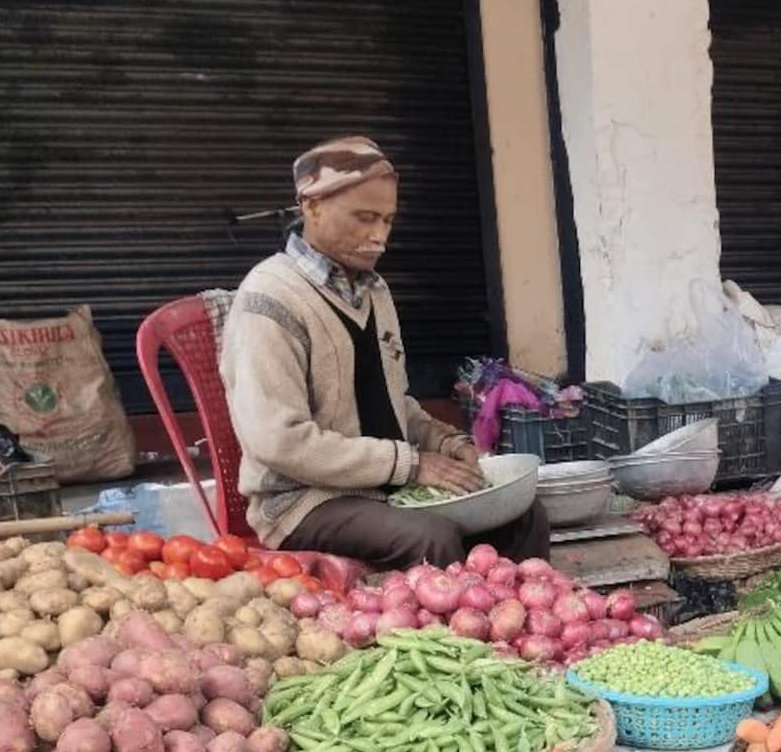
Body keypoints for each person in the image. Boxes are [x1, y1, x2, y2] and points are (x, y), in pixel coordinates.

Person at [219, 136, 550, 568]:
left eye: (388, 221)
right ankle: (456, 635)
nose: (379, 237)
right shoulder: (270, 299)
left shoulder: (374, 291)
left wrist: (449, 444)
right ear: (311, 207)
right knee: (431, 541)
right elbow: (279, 441)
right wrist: (410, 466)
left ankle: (520, 629)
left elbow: (394, 404)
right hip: (303, 502)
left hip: (385, 488)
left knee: (524, 516)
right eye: (364, 218)